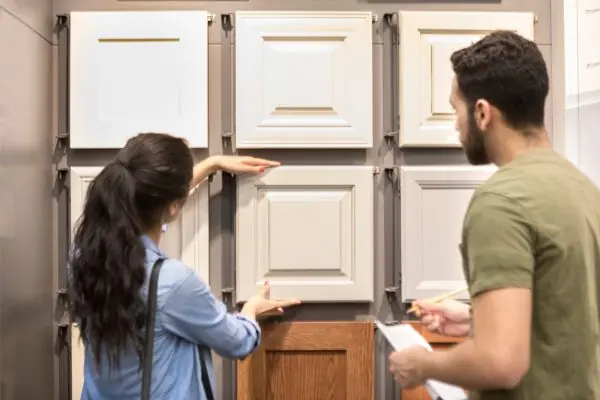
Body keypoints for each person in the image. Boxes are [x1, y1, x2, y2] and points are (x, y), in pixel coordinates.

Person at [388, 30, 600, 399]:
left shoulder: (500, 202)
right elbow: (569, 316)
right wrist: (477, 321)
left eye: (456, 109)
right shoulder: (583, 189)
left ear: (483, 113)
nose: (456, 124)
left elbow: (500, 362)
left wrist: (423, 365)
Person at [68, 133, 301, 399]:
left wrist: (211, 165)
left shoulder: (83, 256)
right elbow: (236, 342)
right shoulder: (172, 282)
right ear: (173, 206)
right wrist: (251, 310)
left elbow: (145, 202)